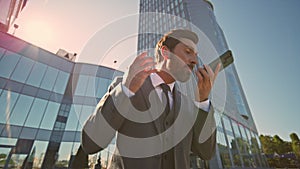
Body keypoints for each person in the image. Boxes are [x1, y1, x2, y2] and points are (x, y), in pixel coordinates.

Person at [81, 29, 221, 169]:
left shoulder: (189, 106)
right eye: (188, 52)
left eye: (196, 55)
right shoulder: (126, 87)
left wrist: (203, 102)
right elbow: (90, 143)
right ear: (165, 52)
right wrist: (126, 89)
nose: (195, 61)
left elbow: (206, 153)